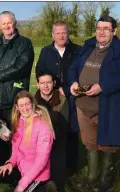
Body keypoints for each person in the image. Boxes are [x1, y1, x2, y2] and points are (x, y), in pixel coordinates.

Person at [69, 15, 120, 192]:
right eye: (99, 28)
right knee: (90, 143)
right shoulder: (88, 46)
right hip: (83, 106)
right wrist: (73, 82)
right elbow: (74, 67)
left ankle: (105, 179)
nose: (102, 32)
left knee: (107, 144)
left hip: (107, 106)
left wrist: (102, 86)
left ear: (114, 31)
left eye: (106, 28)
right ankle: (92, 177)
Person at [0, 11, 34, 181]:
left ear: (15, 23)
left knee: (15, 135)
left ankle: (17, 171)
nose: (7, 27)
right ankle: (0, 171)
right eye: (3, 24)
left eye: (9, 23)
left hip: (14, 97)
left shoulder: (24, 44)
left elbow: (21, 66)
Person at [35, 21, 81, 177]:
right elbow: (40, 72)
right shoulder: (45, 52)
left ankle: (71, 167)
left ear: (68, 33)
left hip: (73, 97)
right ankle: (52, 163)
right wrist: (50, 88)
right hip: (53, 99)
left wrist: (67, 89)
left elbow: (82, 75)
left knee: (72, 131)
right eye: (58, 33)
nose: (61, 36)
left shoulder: (78, 51)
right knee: (53, 130)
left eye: (64, 32)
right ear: (52, 35)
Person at [0, 90, 55, 192]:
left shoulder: (42, 126)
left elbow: (41, 160)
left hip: (38, 177)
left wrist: (22, 185)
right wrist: (10, 163)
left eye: (27, 104)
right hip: (23, 171)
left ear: (33, 104)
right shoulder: (19, 122)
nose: (25, 108)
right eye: (21, 105)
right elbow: (16, 151)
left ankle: (48, 186)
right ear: (17, 108)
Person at [34, 72, 69, 191]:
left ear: (54, 83)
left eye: (48, 82)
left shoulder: (62, 99)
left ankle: (57, 181)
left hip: (56, 138)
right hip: (37, 140)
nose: (46, 86)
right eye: (42, 83)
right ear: (37, 84)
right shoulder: (33, 101)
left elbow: (64, 126)